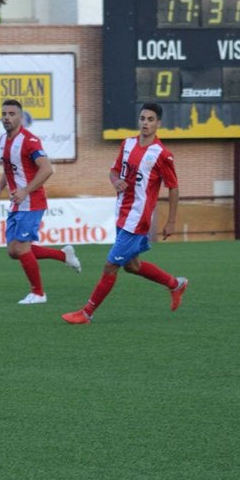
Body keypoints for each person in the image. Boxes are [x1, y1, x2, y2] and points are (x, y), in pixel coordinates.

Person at [62, 102, 186, 324]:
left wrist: (171, 221)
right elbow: (113, 171)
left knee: (111, 265)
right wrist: (116, 180)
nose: (145, 123)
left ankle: (86, 313)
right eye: (142, 118)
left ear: (158, 124)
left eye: (150, 119)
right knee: (132, 265)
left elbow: (173, 187)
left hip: (138, 219)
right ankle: (176, 284)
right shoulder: (127, 144)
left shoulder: (162, 154)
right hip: (122, 213)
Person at [0, 99, 81, 304]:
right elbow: (9, 168)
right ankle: (63, 256)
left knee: (22, 248)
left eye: (12, 114)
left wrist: (25, 190)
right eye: (4, 114)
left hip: (32, 201)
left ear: (21, 117)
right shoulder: (3, 140)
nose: (7, 117)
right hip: (17, 202)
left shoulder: (29, 141)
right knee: (14, 251)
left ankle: (38, 293)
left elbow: (47, 168)